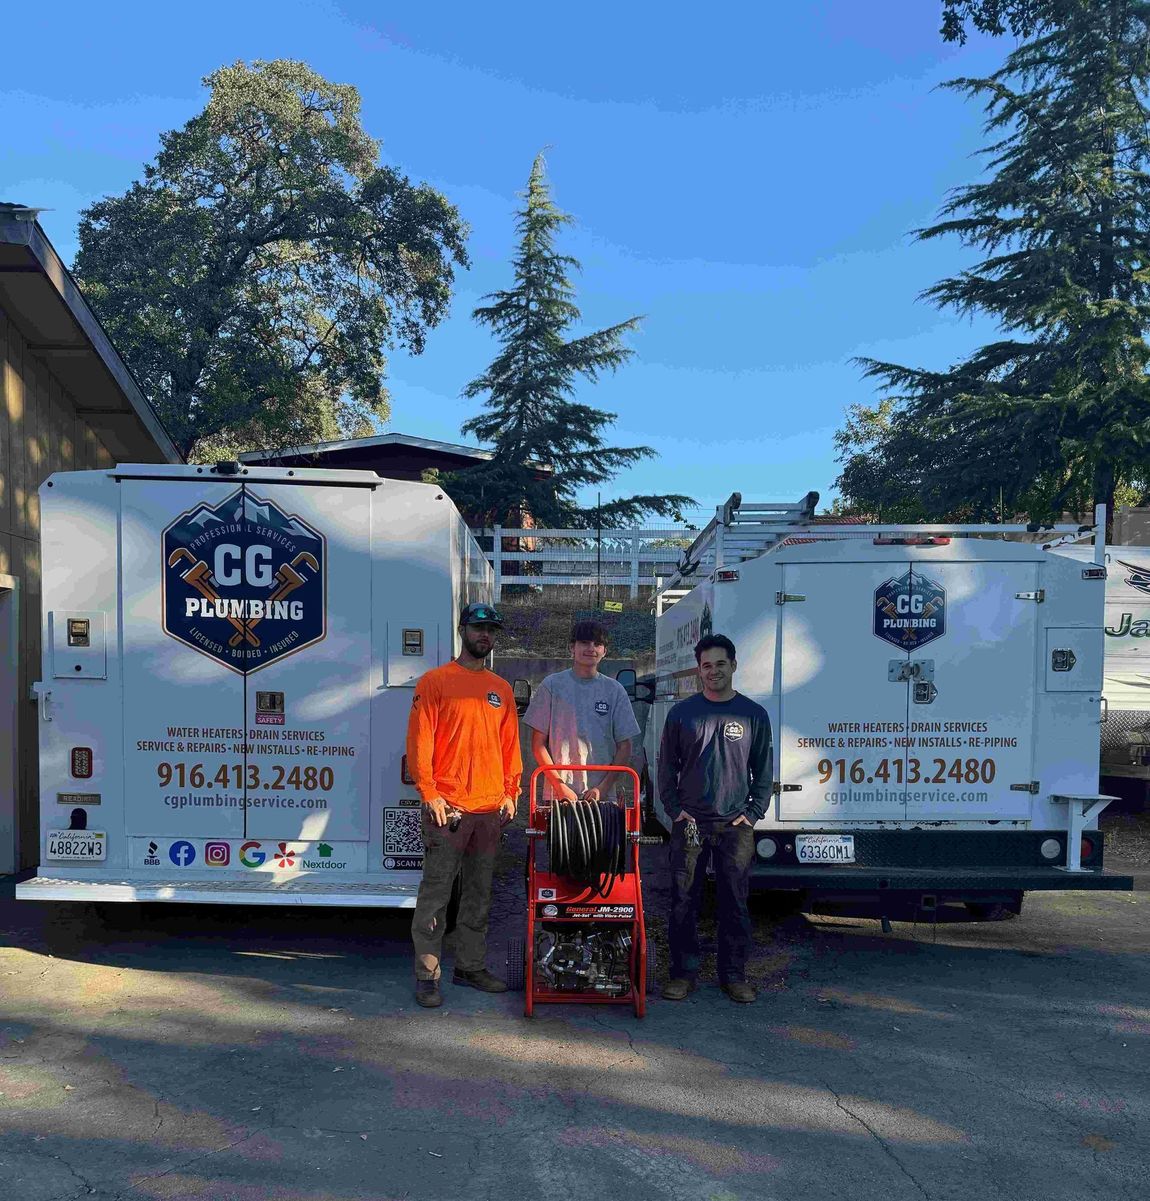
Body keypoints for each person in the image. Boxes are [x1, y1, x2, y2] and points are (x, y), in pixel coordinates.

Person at [406, 602, 522, 1009]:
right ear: (462, 630)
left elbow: (511, 746)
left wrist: (511, 792)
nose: (485, 635)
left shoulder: (501, 689)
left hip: (490, 810)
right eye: (478, 628)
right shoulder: (435, 682)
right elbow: (420, 742)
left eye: (491, 629)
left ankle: (470, 966)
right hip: (449, 808)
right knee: (436, 894)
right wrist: (430, 792)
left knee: (479, 893)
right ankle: (427, 973)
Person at [658, 633, 772, 1004]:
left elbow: (764, 771)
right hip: (690, 823)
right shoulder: (682, 714)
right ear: (699, 671)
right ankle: (682, 974)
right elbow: (664, 769)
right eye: (706, 665)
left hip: (734, 826)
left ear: (733, 665)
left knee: (734, 902)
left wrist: (752, 814)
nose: (713, 671)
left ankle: (734, 976)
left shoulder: (754, 714)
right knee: (683, 900)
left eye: (720, 664)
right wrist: (675, 810)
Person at [524, 620, 641, 804]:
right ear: (572, 647)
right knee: (559, 834)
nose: (591, 648)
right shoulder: (552, 686)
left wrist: (602, 789)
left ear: (605, 651)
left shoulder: (615, 691)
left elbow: (625, 747)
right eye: (585, 642)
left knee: (604, 834)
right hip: (558, 796)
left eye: (598, 644)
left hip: (602, 798)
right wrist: (560, 786)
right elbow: (538, 744)